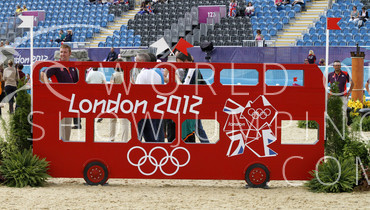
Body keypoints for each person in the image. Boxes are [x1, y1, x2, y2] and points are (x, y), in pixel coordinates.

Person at [41, 45, 78, 141]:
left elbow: (77, 83)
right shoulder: (56, 65)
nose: (63, 54)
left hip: (69, 102)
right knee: (60, 127)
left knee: (67, 127)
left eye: (65, 52)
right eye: (61, 52)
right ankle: (60, 149)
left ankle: (66, 148)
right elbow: (42, 74)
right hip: (58, 101)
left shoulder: (73, 67)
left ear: (70, 53)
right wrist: (49, 84)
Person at [176, 52, 209, 143]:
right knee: (197, 127)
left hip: (193, 102)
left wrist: (177, 78)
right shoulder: (190, 69)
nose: (178, 65)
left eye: (180, 62)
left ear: (186, 61)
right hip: (194, 101)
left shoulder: (192, 70)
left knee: (197, 127)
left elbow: (184, 87)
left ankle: (206, 145)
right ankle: (205, 144)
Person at [135, 53, 165, 142]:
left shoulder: (142, 75)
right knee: (154, 133)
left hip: (143, 108)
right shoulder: (157, 74)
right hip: (155, 107)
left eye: (136, 61)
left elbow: (137, 92)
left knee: (141, 134)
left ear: (142, 62)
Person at [109, 58, 130, 141]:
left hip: (115, 99)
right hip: (125, 99)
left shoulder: (114, 75)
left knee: (112, 120)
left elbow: (111, 87)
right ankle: (124, 139)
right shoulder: (127, 75)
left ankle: (111, 138)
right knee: (125, 121)